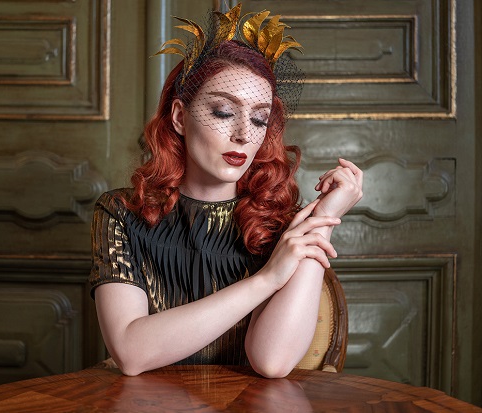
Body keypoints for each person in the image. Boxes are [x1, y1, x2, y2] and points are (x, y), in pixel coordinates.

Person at [90, 4, 363, 378]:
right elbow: (131, 352)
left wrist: (322, 219)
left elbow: (272, 361)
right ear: (179, 117)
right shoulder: (121, 212)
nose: (242, 134)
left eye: (258, 118)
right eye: (222, 112)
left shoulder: (283, 225)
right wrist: (267, 278)